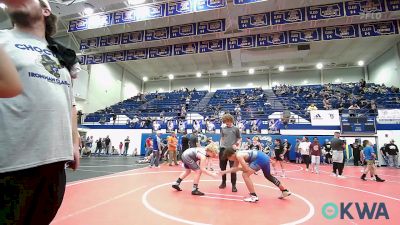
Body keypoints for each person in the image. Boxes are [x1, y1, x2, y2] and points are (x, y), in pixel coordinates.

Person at [0, 1, 80, 224]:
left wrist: (74, 142)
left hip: (53, 164)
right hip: (10, 164)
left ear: (46, 11)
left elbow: (70, 102)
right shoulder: (2, 40)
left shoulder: (62, 55)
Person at [221, 148, 291, 203]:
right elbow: (234, 168)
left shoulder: (239, 156)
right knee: (268, 176)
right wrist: (224, 172)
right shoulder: (237, 155)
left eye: (228, 158)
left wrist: (240, 168)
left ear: (231, 155)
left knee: (245, 175)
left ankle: (253, 196)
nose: (229, 160)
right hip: (264, 157)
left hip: (260, 159)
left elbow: (246, 169)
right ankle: (284, 191)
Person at [219, 114, 241, 192]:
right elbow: (222, 138)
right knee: (222, 167)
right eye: (225, 122)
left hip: (232, 150)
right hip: (223, 150)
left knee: (233, 168)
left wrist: (236, 145)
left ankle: (234, 185)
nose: (226, 123)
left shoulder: (236, 129)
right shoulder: (223, 129)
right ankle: (223, 182)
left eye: (227, 121)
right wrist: (220, 146)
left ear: (231, 120)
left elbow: (239, 139)